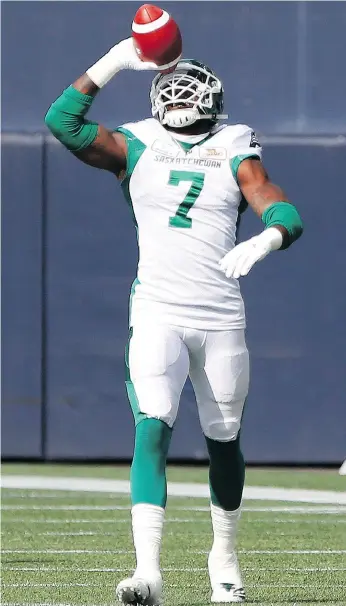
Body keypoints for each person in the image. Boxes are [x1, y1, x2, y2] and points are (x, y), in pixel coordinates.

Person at [45, 37, 303, 605]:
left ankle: (224, 559)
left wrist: (272, 234)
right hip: (159, 309)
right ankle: (148, 572)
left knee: (225, 439)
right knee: (152, 426)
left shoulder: (234, 142)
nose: (183, 97)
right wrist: (116, 58)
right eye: (175, 88)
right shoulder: (137, 141)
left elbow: (268, 195)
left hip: (219, 315)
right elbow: (62, 120)